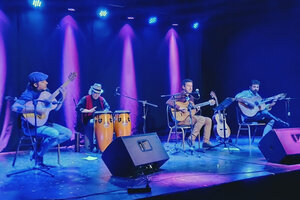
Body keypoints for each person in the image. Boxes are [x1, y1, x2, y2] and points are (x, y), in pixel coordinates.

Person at [11, 72, 72, 166]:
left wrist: (63, 98)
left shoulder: (46, 93)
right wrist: (36, 110)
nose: (46, 83)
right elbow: (14, 107)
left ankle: (38, 152)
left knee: (68, 134)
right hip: (30, 128)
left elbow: (55, 108)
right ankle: (39, 152)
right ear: (35, 84)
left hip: (45, 124)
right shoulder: (28, 94)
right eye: (43, 81)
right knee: (54, 133)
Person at [166, 79, 215, 149]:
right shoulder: (180, 95)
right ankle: (191, 139)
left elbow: (190, 112)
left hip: (189, 118)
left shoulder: (191, 97)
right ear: (183, 87)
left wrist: (197, 110)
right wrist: (179, 108)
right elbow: (168, 102)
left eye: (191, 86)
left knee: (208, 120)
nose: (190, 88)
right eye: (188, 86)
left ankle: (205, 142)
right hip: (180, 120)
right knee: (201, 118)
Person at [76, 83, 110, 152]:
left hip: (101, 120)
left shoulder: (102, 99)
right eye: (94, 93)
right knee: (93, 122)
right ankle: (93, 145)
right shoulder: (85, 98)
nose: (96, 94)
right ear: (91, 91)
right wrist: (89, 110)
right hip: (89, 120)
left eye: (98, 93)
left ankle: (103, 145)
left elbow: (107, 107)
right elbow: (78, 108)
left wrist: (104, 112)